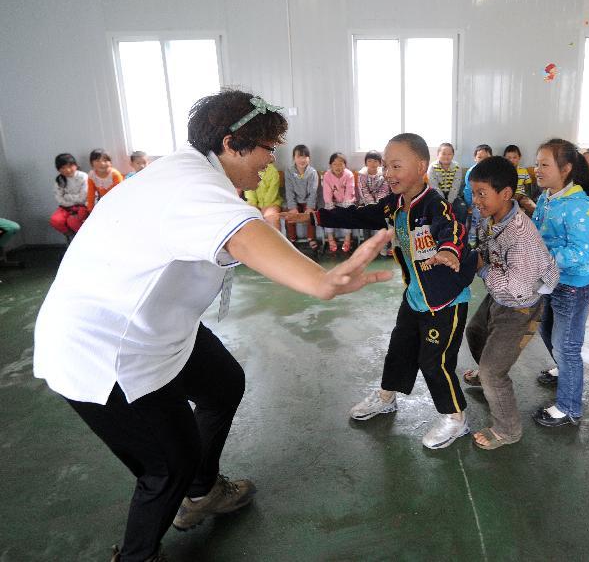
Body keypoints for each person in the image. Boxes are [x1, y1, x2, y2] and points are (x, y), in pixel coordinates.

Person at [32, 89, 393, 562]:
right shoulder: (192, 187)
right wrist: (319, 281)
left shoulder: (188, 170)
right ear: (230, 143)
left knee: (222, 383)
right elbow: (243, 235)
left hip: (155, 326)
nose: (270, 163)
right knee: (167, 467)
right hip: (105, 349)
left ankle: (203, 493)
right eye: (266, 149)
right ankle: (138, 554)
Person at [285, 133, 477, 449]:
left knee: (435, 362)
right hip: (415, 296)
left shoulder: (434, 205)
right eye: (386, 166)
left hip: (444, 302)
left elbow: (452, 229)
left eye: (396, 166)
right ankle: (387, 398)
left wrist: (449, 251)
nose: (388, 173)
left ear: (421, 166)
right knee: (399, 349)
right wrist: (314, 215)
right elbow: (358, 213)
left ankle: (456, 418)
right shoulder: (392, 205)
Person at [460, 156, 559, 449]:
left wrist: (481, 268)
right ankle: (485, 374)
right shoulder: (493, 216)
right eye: (473, 192)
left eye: (482, 193)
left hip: (520, 306)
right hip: (499, 294)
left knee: (493, 373)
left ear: (505, 193)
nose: (476, 200)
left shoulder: (520, 235)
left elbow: (516, 289)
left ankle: (507, 430)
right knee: (475, 332)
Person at [531, 139, 589, 427]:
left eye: (544, 164)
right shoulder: (546, 197)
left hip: (574, 283)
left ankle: (569, 407)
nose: (537, 169)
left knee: (567, 345)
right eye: (537, 163)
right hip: (552, 279)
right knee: (547, 331)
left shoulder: (579, 205)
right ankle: (563, 370)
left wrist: (543, 257)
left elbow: (583, 252)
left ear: (566, 169)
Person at [284, 144, 320, 251]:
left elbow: (313, 192)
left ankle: (311, 238)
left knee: (311, 215)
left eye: (305, 157)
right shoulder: (289, 171)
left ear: (309, 158)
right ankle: (292, 238)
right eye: (299, 156)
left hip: (308, 201)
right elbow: (289, 191)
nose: (302, 160)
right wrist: (293, 207)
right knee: (289, 216)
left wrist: (309, 207)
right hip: (295, 201)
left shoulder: (312, 173)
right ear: (294, 158)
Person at [321, 152, 357, 253]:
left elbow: (350, 190)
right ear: (330, 165)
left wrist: (346, 203)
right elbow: (327, 191)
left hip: (347, 201)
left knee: (348, 213)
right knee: (328, 213)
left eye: (341, 164)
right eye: (334, 164)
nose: (338, 167)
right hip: (333, 202)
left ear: (345, 165)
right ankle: (330, 238)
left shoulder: (349, 174)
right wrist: (330, 203)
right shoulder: (327, 175)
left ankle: (347, 239)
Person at [358, 150, 391, 256]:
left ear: (380, 163)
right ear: (366, 162)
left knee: (384, 219)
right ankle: (367, 247)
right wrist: (372, 204)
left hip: (381, 202)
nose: (372, 163)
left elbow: (385, 190)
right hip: (366, 202)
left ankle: (383, 246)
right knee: (365, 219)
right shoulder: (362, 175)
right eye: (370, 161)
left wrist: (378, 204)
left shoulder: (384, 174)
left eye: (375, 161)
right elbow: (363, 190)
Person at [49, 153, 89, 238]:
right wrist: (71, 201)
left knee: (72, 221)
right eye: (63, 168)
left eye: (70, 166)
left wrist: (67, 196)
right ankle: (73, 237)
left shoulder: (83, 176)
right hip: (65, 207)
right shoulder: (60, 180)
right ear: (58, 169)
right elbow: (59, 199)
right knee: (55, 220)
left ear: (75, 165)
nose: (67, 170)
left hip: (83, 206)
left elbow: (83, 198)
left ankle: (85, 238)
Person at [427, 142, 466, 223]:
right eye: (443, 153)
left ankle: (459, 231)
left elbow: (455, 186)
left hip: (453, 195)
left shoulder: (457, 167)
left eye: (449, 154)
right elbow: (434, 187)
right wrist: (444, 203)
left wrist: (449, 203)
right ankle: (438, 231)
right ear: (438, 155)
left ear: (453, 155)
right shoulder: (432, 167)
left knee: (462, 208)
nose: (446, 156)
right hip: (436, 195)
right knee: (435, 209)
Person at [464, 144, 493, 244]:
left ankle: (485, 241)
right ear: (475, 158)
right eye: (480, 157)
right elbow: (468, 190)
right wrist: (470, 205)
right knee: (474, 222)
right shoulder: (471, 172)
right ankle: (471, 241)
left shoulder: (492, 172)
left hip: (488, 202)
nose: (482, 160)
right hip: (475, 203)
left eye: (486, 158)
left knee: (487, 222)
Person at [244, 161, 283, 230]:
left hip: (272, 203)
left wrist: (265, 207)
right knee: (251, 216)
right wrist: (254, 204)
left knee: (271, 217)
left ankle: (274, 240)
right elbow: (249, 190)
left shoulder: (273, 171)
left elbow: (272, 193)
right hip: (254, 202)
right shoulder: (249, 170)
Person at [503, 144, 536, 215]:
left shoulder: (523, 171)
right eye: (509, 158)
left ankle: (539, 216)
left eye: (514, 157)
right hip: (508, 196)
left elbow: (528, 186)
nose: (512, 160)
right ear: (504, 158)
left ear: (519, 158)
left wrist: (528, 197)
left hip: (521, 196)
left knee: (529, 204)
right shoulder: (503, 172)